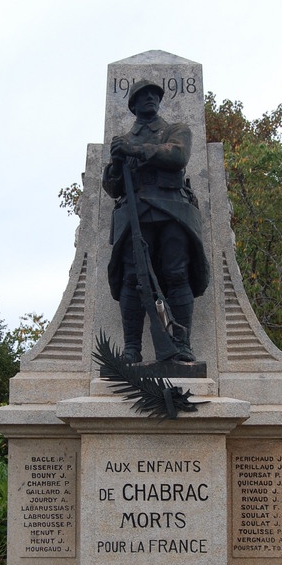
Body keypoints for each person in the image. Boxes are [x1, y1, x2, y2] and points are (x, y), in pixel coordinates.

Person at [102, 79, 209, 363]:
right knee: (132, 279)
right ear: (133, 105)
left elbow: (178, 155)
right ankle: (131, 349)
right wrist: (114, 165)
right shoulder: (122, 140)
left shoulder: (175, 130)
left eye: (154, 94)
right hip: (135, 212)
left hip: (172, 209)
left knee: (177, 274)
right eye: (142, 95)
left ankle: (181, 343)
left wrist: (135, 151)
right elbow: (113, 189)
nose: (150, 98)